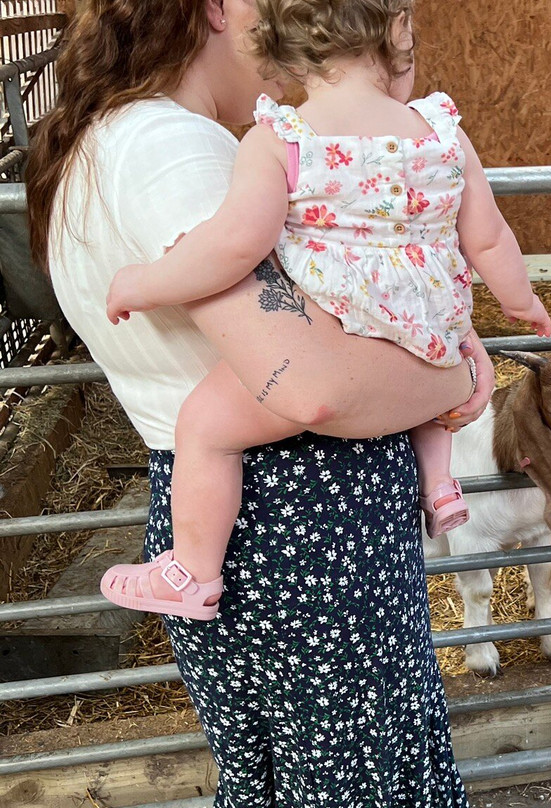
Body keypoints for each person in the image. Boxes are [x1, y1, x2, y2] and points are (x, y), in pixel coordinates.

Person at [26, 0, 491, 803]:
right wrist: (455, 372)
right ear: (213, 9)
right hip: (304, 521)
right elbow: (308, 385)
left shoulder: (112, 142)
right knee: (357, 783)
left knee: (274, 781)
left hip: (241, 515)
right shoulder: (176, 151)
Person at [95, 0, 551, 621]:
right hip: (431, 328)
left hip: (341, 325)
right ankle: (439, 485)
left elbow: (232, 246)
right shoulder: (441, 132)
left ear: (283, 50)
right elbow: (491, 237)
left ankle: (192, 569)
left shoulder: (281, 141)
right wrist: (521, 301)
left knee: (203, 425)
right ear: (396, 34)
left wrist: (144, 284)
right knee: (427, 378)